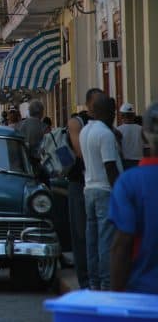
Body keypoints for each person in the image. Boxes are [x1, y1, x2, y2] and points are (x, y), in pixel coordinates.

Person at [109, 101, 158, 294]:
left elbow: (122, 245)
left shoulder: (128, 184)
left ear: (144, 135)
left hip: (142, 291)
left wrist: (116, 299)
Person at [80, 93, 122, 290]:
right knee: (106, 240)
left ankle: (93, 283)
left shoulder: (85, 131)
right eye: (112, 111)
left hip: (89, 189)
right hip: (105, 190)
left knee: (92, 240)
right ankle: (106, 283)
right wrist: (122, 192)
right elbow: (110, 167)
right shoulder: (105, 134)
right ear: (108, 112)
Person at [65, 87, 103, 289]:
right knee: (81, 234)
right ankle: (85, 281)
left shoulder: (104, 124)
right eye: (98, 104)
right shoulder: (76, 122)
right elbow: (80, 152)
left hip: (99, 184)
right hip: (79, 184)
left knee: (100, 234)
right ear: (89, 104)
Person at [116, 103, 147, 170]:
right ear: (134, 115)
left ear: (122, 116)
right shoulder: (141, 129)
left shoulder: (118, 130)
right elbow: (146, 148)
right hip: (140, 162)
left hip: (125, 162)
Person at [17, 100, 45, 170]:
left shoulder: (19, 125)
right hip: (39, 162)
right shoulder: (44, 127)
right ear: (41, 112)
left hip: (23, 161)